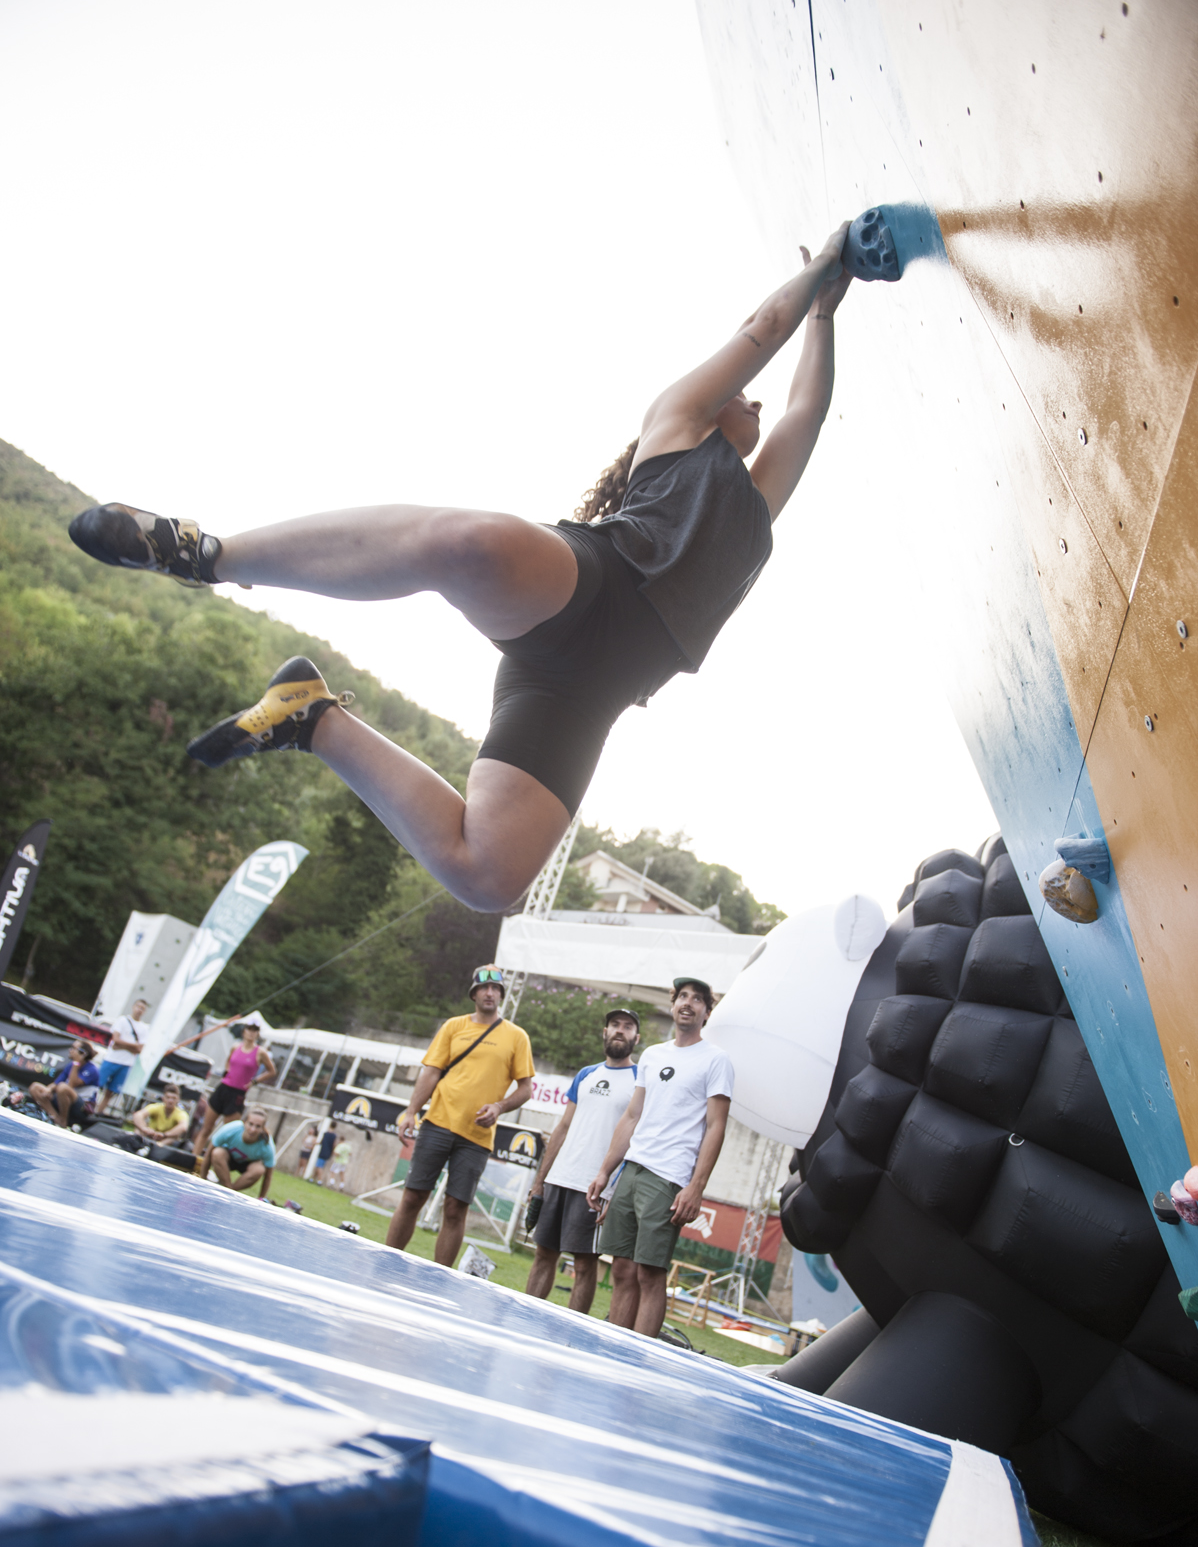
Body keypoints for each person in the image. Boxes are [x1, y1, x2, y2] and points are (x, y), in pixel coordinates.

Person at [68, 230, 853, 913]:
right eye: (744, 394)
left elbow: (805, 414)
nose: (756, 403)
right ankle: (208, 554)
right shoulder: (675, 421)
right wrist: (822, 268)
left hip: (588, 692)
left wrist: (824, 316)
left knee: (488, 877)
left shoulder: (758, 505)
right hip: (590, 585)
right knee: (465, 543)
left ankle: (311, 719)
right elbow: (762, 327)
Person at [587, 978, 733, 1339]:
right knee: (621, 1269)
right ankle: (613, 1347)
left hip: (668, 1178)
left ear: (707, 1013)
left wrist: (696, 1187)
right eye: (682, 996)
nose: (688, 1003)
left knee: (649, 1273)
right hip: (632, 1170)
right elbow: (632, 1116)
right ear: (673, 1004)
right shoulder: (652, 1055)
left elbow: (716, 1126)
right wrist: (606, 1172)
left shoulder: (716, 1060)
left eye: (697, 999)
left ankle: (640, 1358)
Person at [386, 965, 534, 1267]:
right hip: (437, 1123)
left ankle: (440, 1278)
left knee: (455, 1208)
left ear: (501, 995)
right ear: (474, 993)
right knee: (413, 1197)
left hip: (476, 1137)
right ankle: (387, 1261)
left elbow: (526, 1089)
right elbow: (431, 1073)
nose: (490, 993)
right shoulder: (453, 1026)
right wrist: (411, 1112)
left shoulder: (517, 1037)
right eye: (484, 988)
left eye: (496, 989)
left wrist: (499, 1107)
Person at [523, 1008, 641, 1314]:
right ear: (605, 1032)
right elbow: (562, 1128)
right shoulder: (586, 1074)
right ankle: (523, 1319)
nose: (620, 1030)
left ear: (636, 1037)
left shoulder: (640, 1080)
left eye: (628, 1026)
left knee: (585, 1265)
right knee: (543, 1254)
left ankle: (572, 1335)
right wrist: (540, 1182)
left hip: (596, 1186)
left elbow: (637, 1140)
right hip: (559, 1178)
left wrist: (614, 1191)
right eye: (614, 1024)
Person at [192, 1022, 276, 1156]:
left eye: (254, 1031)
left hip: (237, 1093)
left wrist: (254, 1081)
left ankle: (212, 1159)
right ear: (244, 1032)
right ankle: (193, 1157)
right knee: (206, 1128)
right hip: (223, 1089)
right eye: (249, 1030)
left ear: (257, 1034)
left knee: (227, 1133)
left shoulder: (260, 1052)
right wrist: (227, 1072)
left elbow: (272, 1071)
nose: (251, 1033)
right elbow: (229, 1061)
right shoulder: (236, 1047)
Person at [200, 1105, 277, 1198]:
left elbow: (268, 1176)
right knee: (217, 1153)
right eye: (250, 1124)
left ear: (263, 1129)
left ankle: (230, 1192)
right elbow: (208, 1155)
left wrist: (261, 1198)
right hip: (227, 1159)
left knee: (259, 1169)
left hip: (247, 1165)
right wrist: (202, 1180)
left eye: (258, 1126)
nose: (252, 1129)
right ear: (244, 1122)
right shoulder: (231, 1129)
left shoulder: (267, 1145)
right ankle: (227, 1189)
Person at [94, 998, 150, 1116]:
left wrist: (121, 1045)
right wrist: (133, 1046)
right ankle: (90, 1107)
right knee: (96, 1085)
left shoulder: (144, 1028)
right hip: (111, 1059)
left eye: (142, 1008)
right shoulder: (122, 1020)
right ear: (133, 1007)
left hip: (126, 1063)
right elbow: (116, 1039)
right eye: (138, 1007)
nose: (139, 1010)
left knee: (111, 1092)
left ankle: (98, 1112)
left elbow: (139, 1049)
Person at [31, 1041, 101, 1128]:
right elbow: (56, 1083)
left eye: (73, 1048)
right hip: (64, 1100)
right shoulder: (70, 1065)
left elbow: (71, 1085)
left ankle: (63, 1121)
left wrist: (76, 1063)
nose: (70, 1050)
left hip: (82, 1108)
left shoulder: (92, 1070)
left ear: (82, 1053)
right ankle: (55, 1117)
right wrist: (48, 1090)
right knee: (35, 1087)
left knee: (63, 1088)